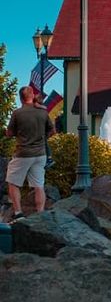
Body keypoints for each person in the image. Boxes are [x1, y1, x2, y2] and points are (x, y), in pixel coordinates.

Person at [5, 85, 56, 219]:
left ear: (20, 98)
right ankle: (40, 214)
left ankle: (18, 213)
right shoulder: (43, 112)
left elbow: (9, 133)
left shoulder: (17, 113)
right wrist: (42, 137)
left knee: (13, 182)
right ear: (32, 96)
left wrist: (19, 133)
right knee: (39, 185)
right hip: (40, 154)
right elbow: (52, 131)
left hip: (23, 153)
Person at [32, 91, 55, 168]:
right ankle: (49, 158)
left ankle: (49, 158)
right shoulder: (44, 112)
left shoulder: (36, 111)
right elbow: (52, 130)